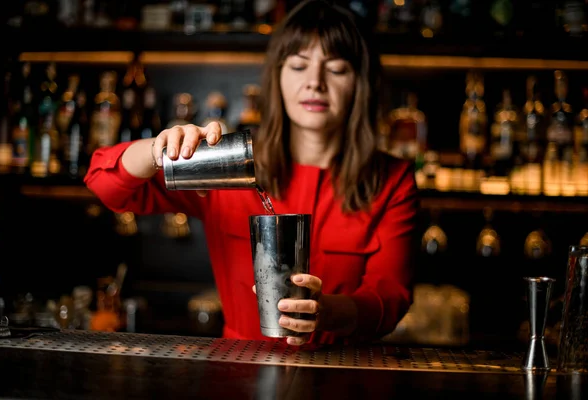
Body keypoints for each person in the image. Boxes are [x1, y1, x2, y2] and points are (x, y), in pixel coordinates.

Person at [84, 0, 419, 347]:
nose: (315, 83)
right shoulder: (230, 163)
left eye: (336, 69)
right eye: (299, 66)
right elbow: (105, 185)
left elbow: (390, 296)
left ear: (359, 83)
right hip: (237, 373)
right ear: (277, 76)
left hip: (347, 376)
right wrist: (156, 149)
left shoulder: (392, 180)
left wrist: (326, 312)